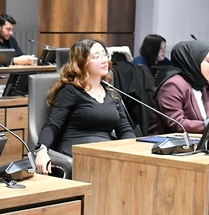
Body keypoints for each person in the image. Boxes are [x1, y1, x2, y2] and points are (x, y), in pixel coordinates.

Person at [35, 39, 135, 174]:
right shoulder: (70, 91)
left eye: (104, 54)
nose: (104, 60)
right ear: (81, 62)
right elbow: (53, 124)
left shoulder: (112, 93)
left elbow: (125, 130)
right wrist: (41, 150)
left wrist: (134, 151)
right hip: (78, 152)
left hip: (105, 151)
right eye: (96, 56)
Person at [148, 40, 209, 135]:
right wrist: (208, 126)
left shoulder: (208, 84)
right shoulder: (174, 85)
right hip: (165, 141)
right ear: (192, 61)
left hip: (198, 139)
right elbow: (176, 123)